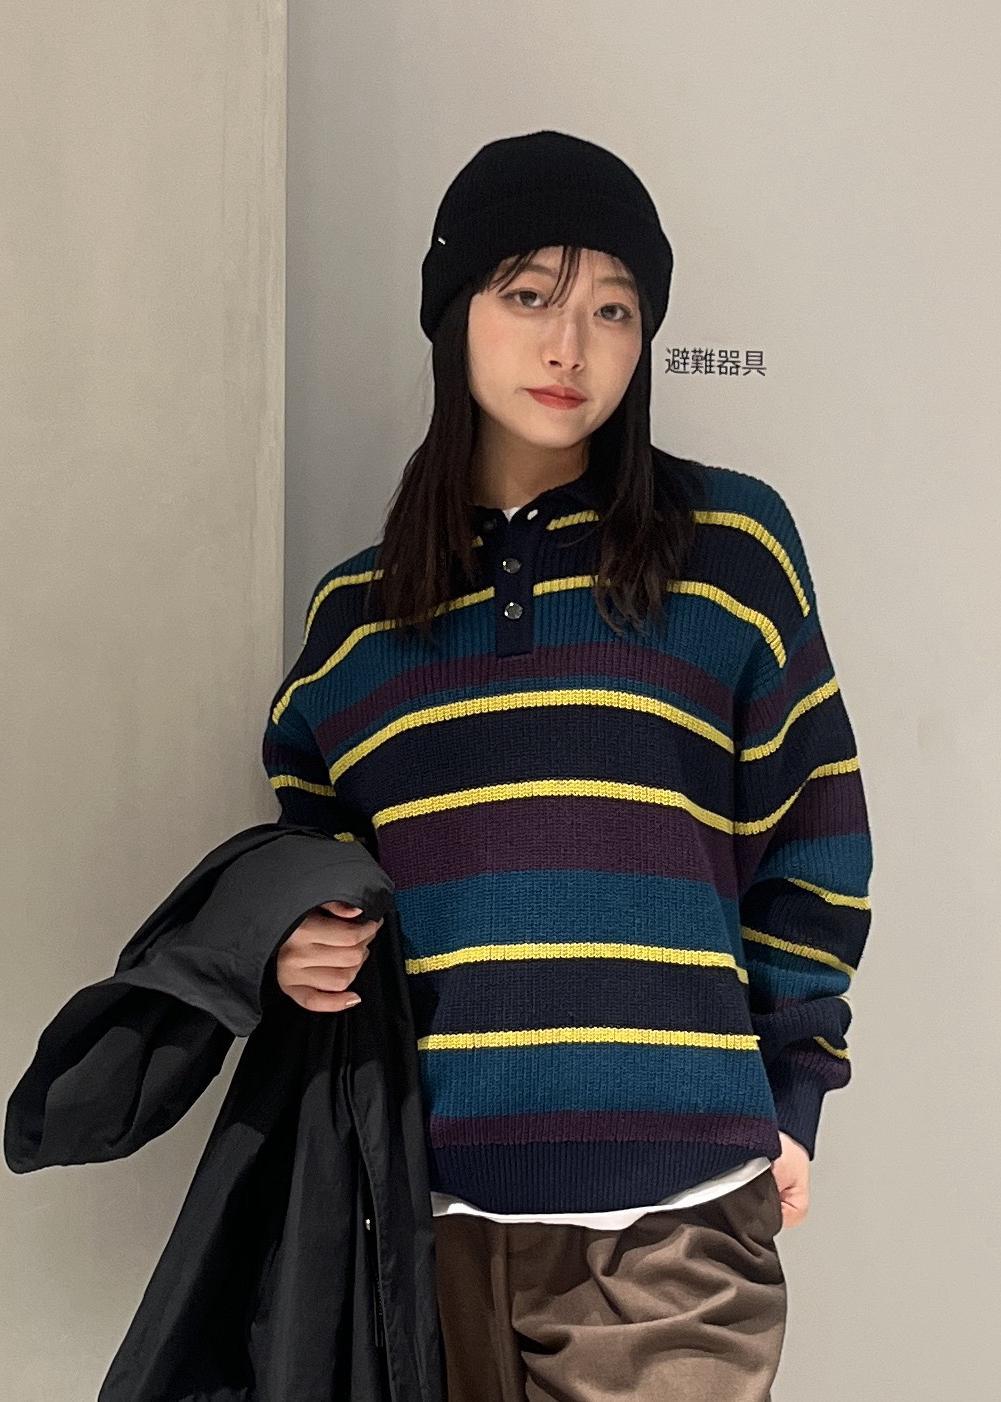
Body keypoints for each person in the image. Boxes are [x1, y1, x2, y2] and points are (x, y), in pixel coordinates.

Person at [262, 129, 874, 1402]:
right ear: (455, 313)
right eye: (530, 294)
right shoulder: (355, 621)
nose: (569, 348)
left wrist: (794, 1085)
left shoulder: (730, 553)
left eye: (612, 309)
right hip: (426, 1225)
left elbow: (814, 839)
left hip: (675, 1227)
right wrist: (291, 939)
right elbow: (311, 868)